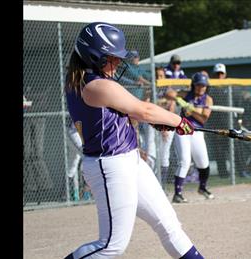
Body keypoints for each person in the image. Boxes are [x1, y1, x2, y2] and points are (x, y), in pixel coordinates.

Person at [64, 22, 204, 259]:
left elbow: (121, 113)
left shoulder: (89, 81)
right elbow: (145, 110)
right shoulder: (95, 85)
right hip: (110, 165)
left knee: (169, 225)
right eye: (111, 58)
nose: (118, 63)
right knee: (111, 245)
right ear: (93, 56)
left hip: (129, 160)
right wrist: (177, 121)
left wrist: (161, 121)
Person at [166, 72, 214, 203]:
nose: (201, 88)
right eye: (198, 85)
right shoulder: (186, 94)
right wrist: (181, 100)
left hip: (198, 131)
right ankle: (178, 194)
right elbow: (168, 93)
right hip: (183, 131)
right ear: (193, 85)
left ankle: (202, 188)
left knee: (204, 164)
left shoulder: (208, 99)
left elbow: (204, 118)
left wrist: (191, 110)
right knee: (184, 162)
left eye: (203, 86)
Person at [209, 63, 230, 178]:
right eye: (217, 74)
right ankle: (223, 173)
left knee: (233, 148)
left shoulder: (229, 88)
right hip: (216, 125)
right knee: (220, 150)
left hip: (230, 123)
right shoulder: (210, 90)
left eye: (221, 74)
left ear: (225, 75)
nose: (219, 76)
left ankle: (240, 171)